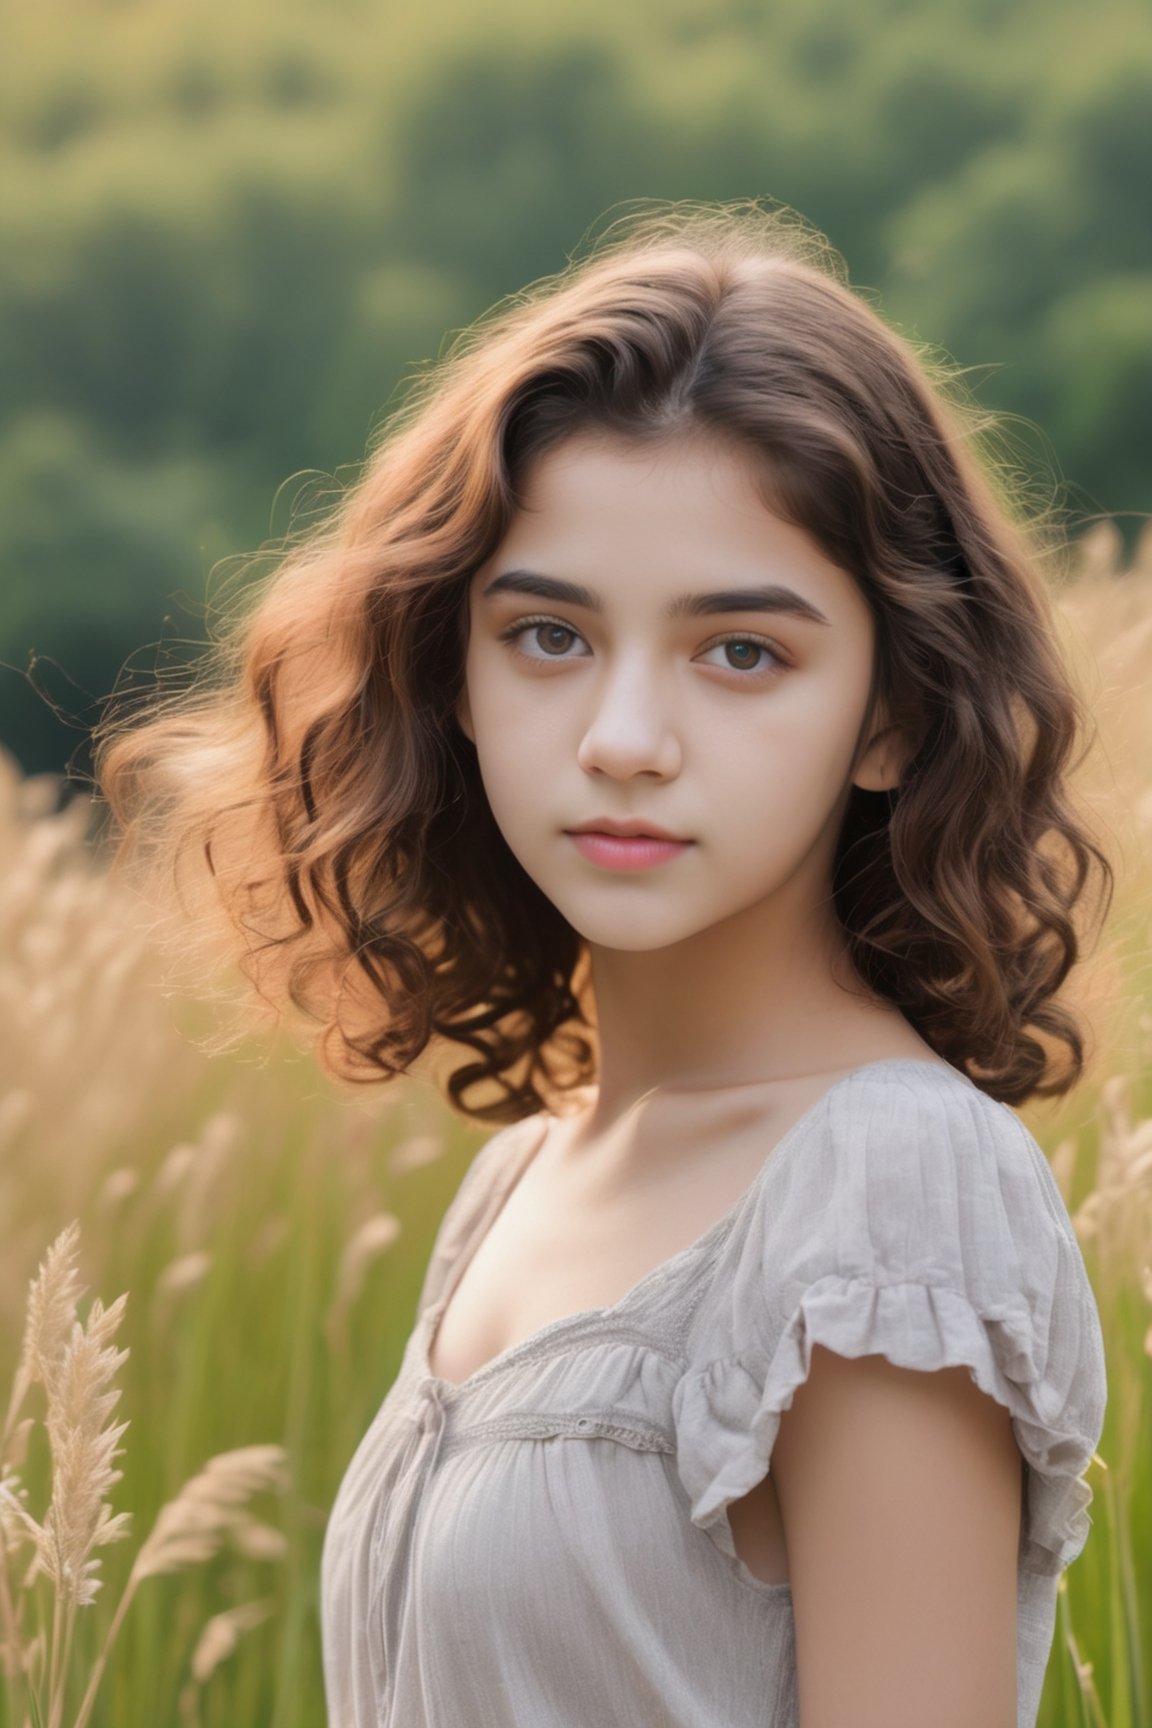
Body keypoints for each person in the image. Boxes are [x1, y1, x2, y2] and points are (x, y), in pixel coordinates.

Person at [93, 200, 1111, 1728]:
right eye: (551, 637)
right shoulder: (523, 1176)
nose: (623, 740)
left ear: (892, 717)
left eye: (740, 652)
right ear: (458, 677)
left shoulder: (890, 1192)